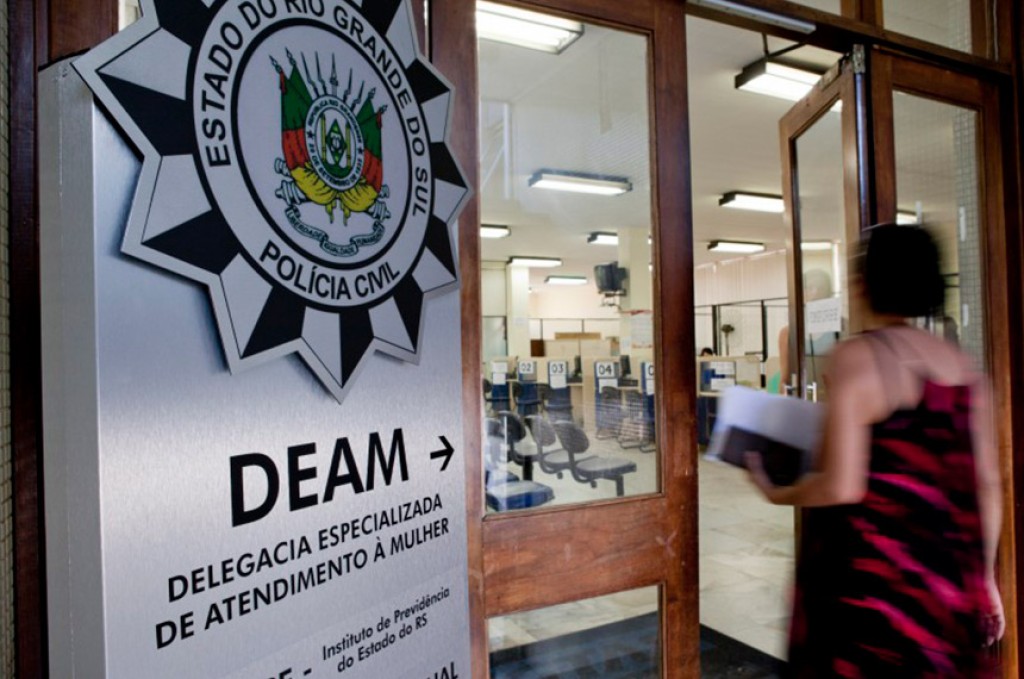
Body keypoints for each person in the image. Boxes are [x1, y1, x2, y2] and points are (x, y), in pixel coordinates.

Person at [747, 224, 1004, 677]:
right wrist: (984, 579)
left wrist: (776, 492)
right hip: (945, 581)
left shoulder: (859, 356)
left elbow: (841, 487)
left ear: (864, 284)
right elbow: (986, 485)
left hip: (873, 583)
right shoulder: (965, 369)